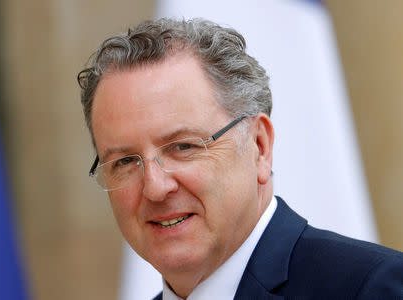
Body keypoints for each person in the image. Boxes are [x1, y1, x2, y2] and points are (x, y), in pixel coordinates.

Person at [77, 18, 402, 299]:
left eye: (183, 147)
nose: (155, 187)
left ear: (259, 147)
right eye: (124, 162)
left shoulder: (371, 288)